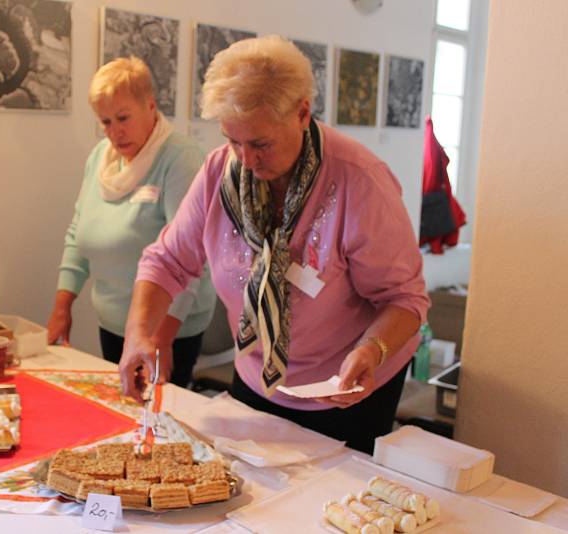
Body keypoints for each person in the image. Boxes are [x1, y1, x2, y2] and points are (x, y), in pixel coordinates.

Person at [118, 36, 429, 454]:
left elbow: (406, 300)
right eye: (233, 140)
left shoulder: (360, 181)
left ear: (302, 112)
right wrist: (140, 335)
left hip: (346, 386)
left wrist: (373, 350)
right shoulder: (219, 172)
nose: (245, 159)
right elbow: (167, 261)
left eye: (260, 143)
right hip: (257, 375)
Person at [48, 57, 216, 388]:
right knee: (123, 414)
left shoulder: (180, 159)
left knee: (162, 424)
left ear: (150, 105)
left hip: (170, 327)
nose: (115, 132)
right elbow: (77, 233)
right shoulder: (101, 158)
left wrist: (162, 338)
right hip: (114, 321)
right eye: (105, 122)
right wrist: (61, 308)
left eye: (123, 118)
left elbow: (189, 256)